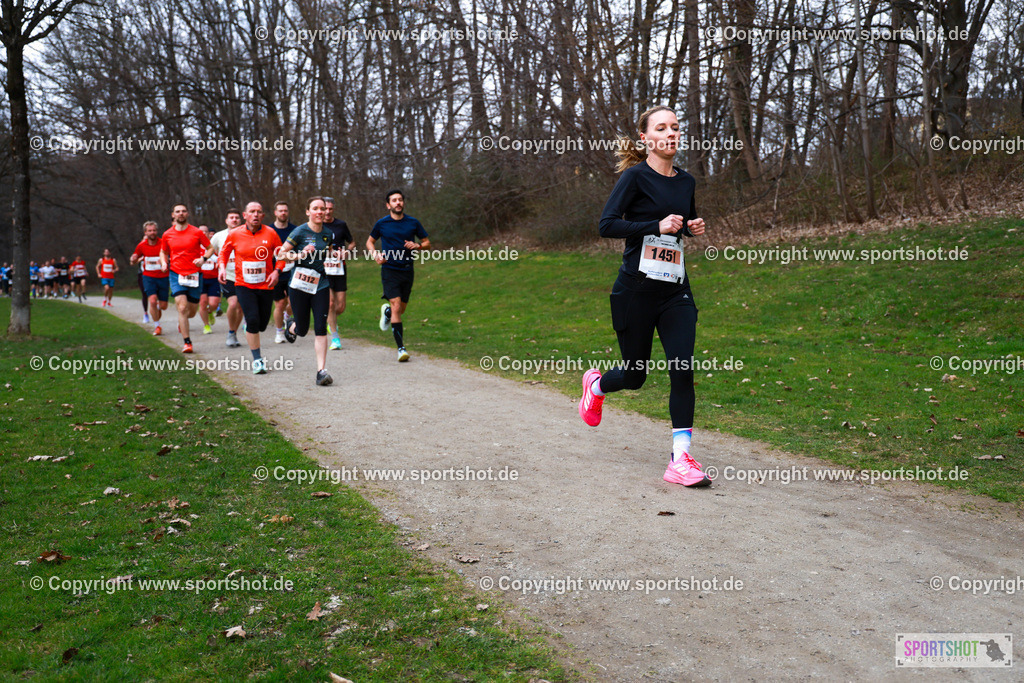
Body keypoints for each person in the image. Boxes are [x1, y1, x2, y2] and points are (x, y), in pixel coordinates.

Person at [577, 105, 710, 488]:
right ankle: (597, 385)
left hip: (675, 291)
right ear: (645, 139)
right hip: (635, 291)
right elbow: (607, 225)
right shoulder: (634, 177)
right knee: (635, 376)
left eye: (676, 128)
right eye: (662, 128)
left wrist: (692, 227)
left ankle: (680, 459)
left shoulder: (686, 182)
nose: (671, 133)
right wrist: (656, 224)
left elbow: (680, 225)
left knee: (682, 369)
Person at [365, 189, 429, 362]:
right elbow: (369, 242)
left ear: (403, 203)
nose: (398, 203)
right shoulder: (382, 223)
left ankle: (386, 313)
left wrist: (418, 246)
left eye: (400, 200)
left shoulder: (413, 222)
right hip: (389, 269)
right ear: (388, 205)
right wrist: (376, 256)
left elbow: (427, 243)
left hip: (407, 269)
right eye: (394, 200)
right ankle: (401, 348)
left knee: (400, 310)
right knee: (396, 305)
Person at [277, 197, 335, 385]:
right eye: (316, 208)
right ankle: (291, 327)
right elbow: (281, 254)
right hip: (299, 285)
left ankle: (321, 371)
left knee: (320, 327)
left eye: (323, 209)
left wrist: (337, 254)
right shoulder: (300, 231)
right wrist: (301, 254)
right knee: (302, 330)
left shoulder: (328, 233)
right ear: (308, 211)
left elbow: (329, 250)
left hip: (321, 285)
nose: (320, 212)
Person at [218, 202, 281, 374]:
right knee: (252, 320)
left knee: (261, 324)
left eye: (259, 212)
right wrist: (222, 268)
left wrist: (277, 271)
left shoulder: (271, 233)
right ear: (245, 215)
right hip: (243, 285)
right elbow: (223, 253)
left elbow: (281, 254)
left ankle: (251, 327)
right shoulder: (235, 234)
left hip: (266, 284)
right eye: (252, 212)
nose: (255, 215)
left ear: (262, 216)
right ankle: (258, 360)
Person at [160, 204, 210, 353]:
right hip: (176, 273)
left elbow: (211, 248)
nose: (180, 214)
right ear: (173, 215)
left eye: (183, 211)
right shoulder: (167, 234)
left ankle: (182, 323)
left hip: (195, 274)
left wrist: (203, 259)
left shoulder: (197, 232)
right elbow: (163, 252)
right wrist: (164, 262)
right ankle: (187, 342)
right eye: (177, 212)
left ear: (187, 214)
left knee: (192, 312)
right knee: (182, 307)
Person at [206, 209, 245, 347]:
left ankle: (233, 332)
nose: (234, 220)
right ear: (226, 221)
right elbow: (210, 250)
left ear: (240, 220)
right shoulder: (219, 236)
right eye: (231, 218)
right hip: (227, 275)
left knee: (240, 307)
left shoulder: (247, 234)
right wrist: (220, 262)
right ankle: (230, 331)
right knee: (233, 304)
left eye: (236, 217)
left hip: (244, 275)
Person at [322, 196, 356, 350]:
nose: (327, 212)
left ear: (333, 209)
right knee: (329, 303)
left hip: (339, 268)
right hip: (323, 270)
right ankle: (335, 338)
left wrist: (347, 252)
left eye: (330, 209)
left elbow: (352, 242)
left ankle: (330, 321)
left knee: (340, 306)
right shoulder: (316, 226)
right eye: (325, 209)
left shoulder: (341, 225)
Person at [130, 221, 170, 335]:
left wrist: (166, 261)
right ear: (145, 232)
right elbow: (133, 260)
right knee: (152, 300)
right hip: (148, 277)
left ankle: (156, 311)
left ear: (157, 231)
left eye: (154, 230)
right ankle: (157, 326)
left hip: (163, 277)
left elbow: (172, 256)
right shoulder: (141, 245)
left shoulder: (163, 243)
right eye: (149, 231)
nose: (152, 233)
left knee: (163, 306)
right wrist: (133, 259)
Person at [267, 201, 297, 344]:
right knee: (279, 303)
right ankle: (279, 332)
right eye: (280, 211)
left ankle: (287, 317)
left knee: (293, 303)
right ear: (275, 213)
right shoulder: (269, 230)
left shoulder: (295, 230)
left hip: (292, 271)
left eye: (285, 210)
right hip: (276, 272)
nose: (283, 213)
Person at [197, 225, 221, 334]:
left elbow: (222, 258)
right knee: (202, 302)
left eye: (205, 232)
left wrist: (220, 264)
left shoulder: (214, 247)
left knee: (214, 303)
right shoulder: (194, 247)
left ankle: (210, 312)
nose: (203, 233)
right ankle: (206, 326)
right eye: (201, 232)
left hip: (214, 279)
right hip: (200, 279)